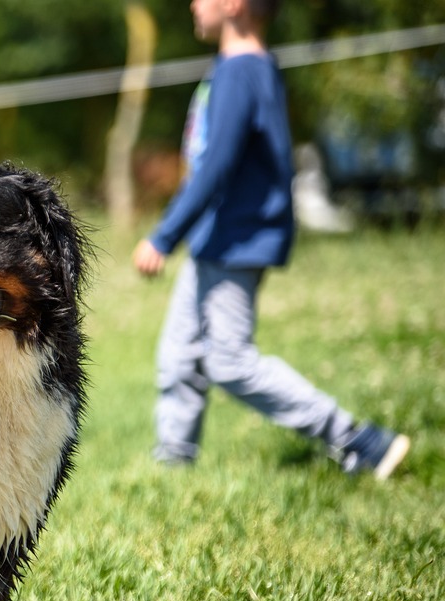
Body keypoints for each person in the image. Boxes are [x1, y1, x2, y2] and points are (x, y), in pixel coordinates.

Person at [132, 0, 410, 479]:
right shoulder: (237, 68)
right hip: (216, 238)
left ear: (234, 4)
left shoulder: (243, 72)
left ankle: (358, 440)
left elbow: (216, 166)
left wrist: (163, 235)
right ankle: (172, 463)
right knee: (179, 355)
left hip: (235, 239)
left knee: (230, 361)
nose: (194, 5)